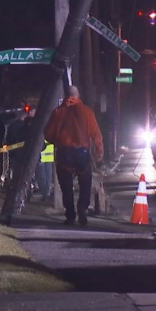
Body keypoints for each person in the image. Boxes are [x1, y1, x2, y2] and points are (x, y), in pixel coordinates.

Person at [44, 85, 104, 226]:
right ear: (78, 96)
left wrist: (56, 141)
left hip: (64, 152)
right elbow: (96, 134)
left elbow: (48, 133)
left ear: (66, 96)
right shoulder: (86, 112)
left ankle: (70, 214)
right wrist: (99, 152)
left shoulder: (58, 112)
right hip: (81, 152)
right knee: (85, 181)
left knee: (66, 185)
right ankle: (82, 207)